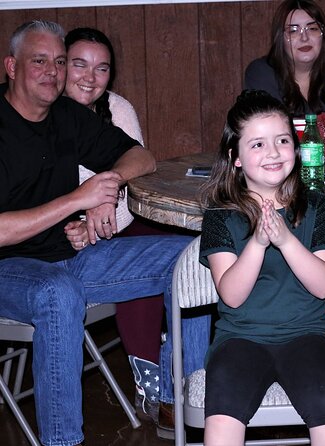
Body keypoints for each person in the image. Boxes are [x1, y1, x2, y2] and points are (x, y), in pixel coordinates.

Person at [0, 20, 207, 445]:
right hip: (11, 271)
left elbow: (142, 156)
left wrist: (106, 187)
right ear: (11, 66)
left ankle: (175, 401)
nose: (52, 72)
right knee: (57, 292)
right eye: (39, 61)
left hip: (71, 258)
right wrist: (79, 198)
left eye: (59, 62)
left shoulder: (67, 115)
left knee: (196, 255)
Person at [198, 89, 325, 445]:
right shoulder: (220, 216)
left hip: (309, 335)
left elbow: (323, 285)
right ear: (235, 157)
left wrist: (285, 240)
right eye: (257, 145)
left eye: (282, 140)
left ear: (296, 150)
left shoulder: (317, 207)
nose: (273, 152)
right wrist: (258, 243)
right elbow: (231, 296)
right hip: (239, 339)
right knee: (223, 413)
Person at [64, 26, 164, 424]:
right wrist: (79, 221)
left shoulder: (117, 109)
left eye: (101, 68)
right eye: (79, 65)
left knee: (179, 243)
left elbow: (137, 178)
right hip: (61, 242)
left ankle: (171, 374)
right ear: (59, 65)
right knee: (144, 265)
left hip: (113, 228)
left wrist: (100, 206)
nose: (90, 77)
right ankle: (153, 379)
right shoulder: (41, 115)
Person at [244, 0, 325, 116]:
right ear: (280, 39)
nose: (304, 38)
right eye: (293, 31)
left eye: (312, 29)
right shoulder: (262, 73)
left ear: (323, 36)